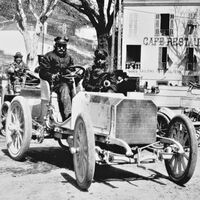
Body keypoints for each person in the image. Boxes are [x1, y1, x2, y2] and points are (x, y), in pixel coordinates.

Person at [39, 36, 75, 121]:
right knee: (65, 89)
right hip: (54, 84)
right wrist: (51, 76)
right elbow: (42, 72)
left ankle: (77, 115)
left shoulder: (69, 58)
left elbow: (72, 70)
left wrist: (75, 75)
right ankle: (68, 117)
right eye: (59, 46)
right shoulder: (49, 56)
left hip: (68, 82)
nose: (61, 49)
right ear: (55, 46)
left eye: (63, 46)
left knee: (78, 94)